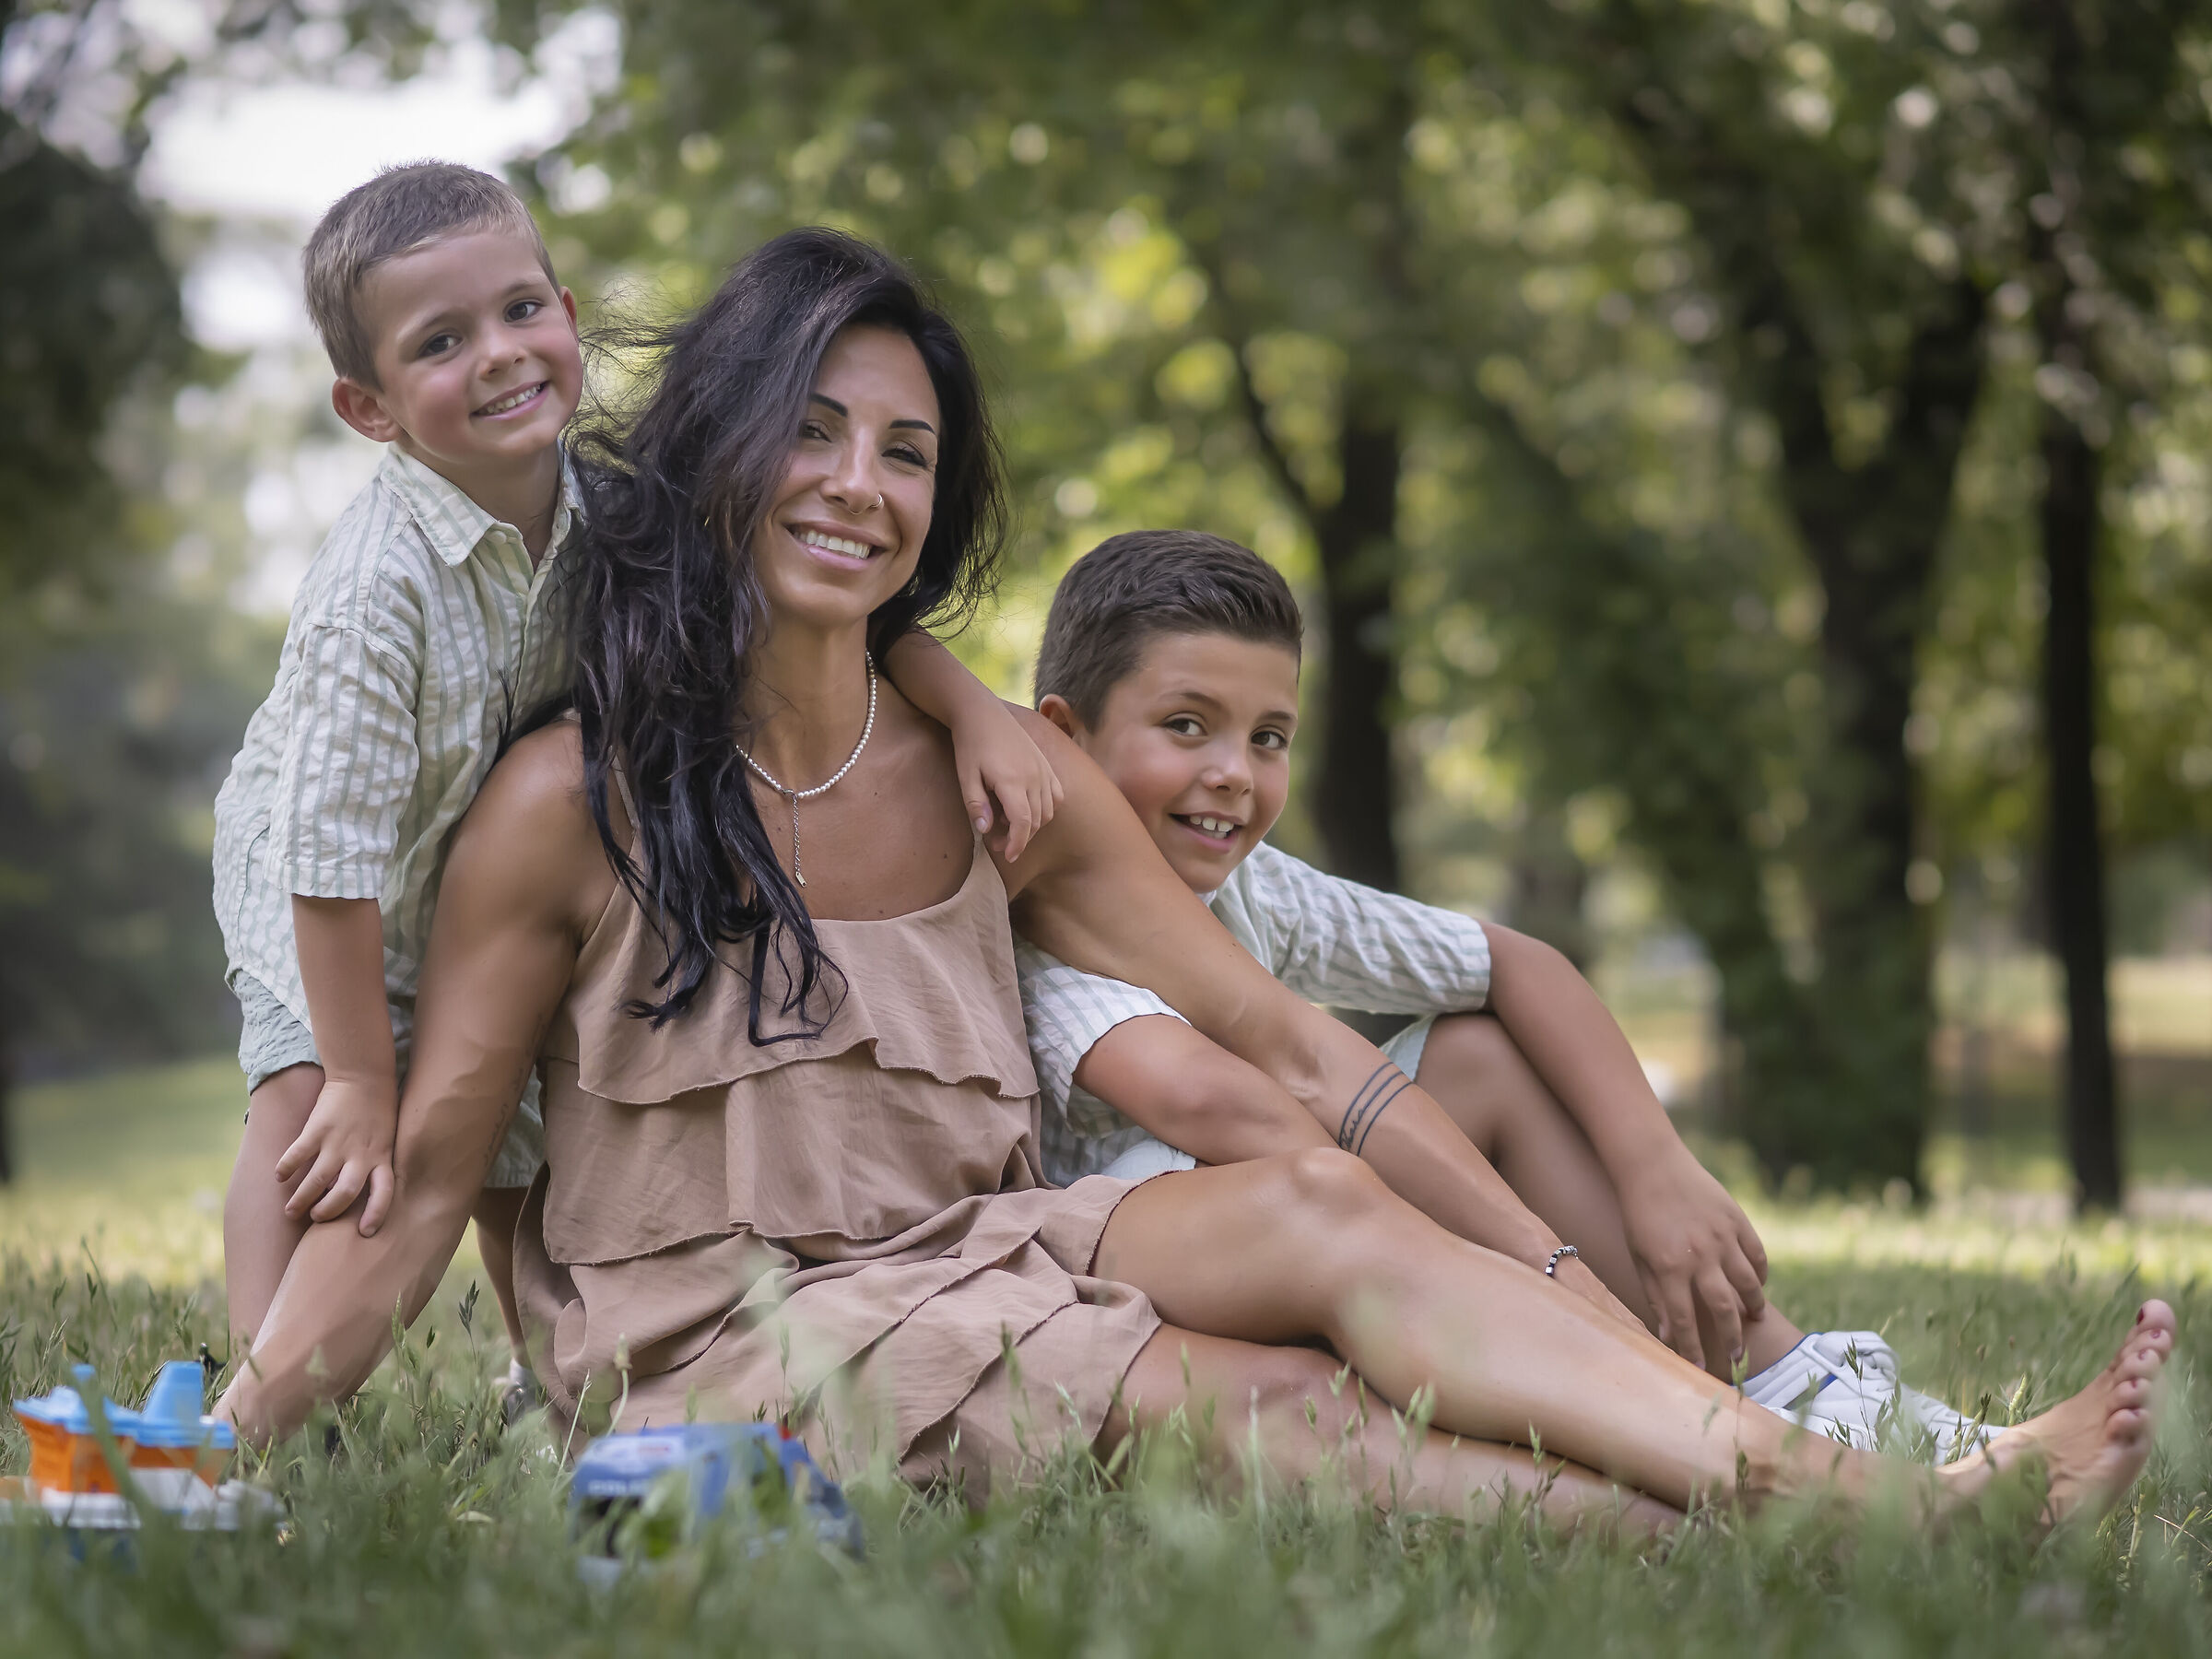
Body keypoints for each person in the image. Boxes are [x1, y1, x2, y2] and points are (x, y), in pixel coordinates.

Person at [219, 229, 2171, 1540]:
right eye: (809, 429)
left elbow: (1276, 1041)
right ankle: (1876, 1523)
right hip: (737, 1354)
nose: (857, 483)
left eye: (906, 450)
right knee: (1289, 1413)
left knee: (1316, 1200)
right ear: (718, 450)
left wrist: (1572, 1271)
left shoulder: (1001, 776)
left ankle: (1860, 1482)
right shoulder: (575, 800)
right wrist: (233, 1445)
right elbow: (426, 1173)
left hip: (985, 1265)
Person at [209, 167, 1051, 1396]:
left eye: (517, 313)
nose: (498, 356)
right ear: (369, 406)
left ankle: (539, 1373)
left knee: (502, 1127)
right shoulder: (371, 591)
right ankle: (256, 1393)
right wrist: (352, 1069)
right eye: (441, 342)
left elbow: (842, 606)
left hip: (465, 852)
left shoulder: (613, 506)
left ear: (565, 307)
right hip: (320, 880)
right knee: (319, 1116)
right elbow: (327, 852)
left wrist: (972, 703)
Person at [1016, 529, 1983, 1456]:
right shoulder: (1035, 922)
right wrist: (1521, 1259)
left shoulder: (1255, 885)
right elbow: (1218, 1109)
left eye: (1269, 738)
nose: (1232, 774)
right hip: (1155, 1286)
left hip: (1313, 1222)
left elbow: (1518, 965)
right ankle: (1678, 1397)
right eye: (1187, 726)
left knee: (1477, 1050)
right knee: (1351, 1169)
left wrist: (1657, 1169)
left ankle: (1794, 1381)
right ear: (1063, 737)